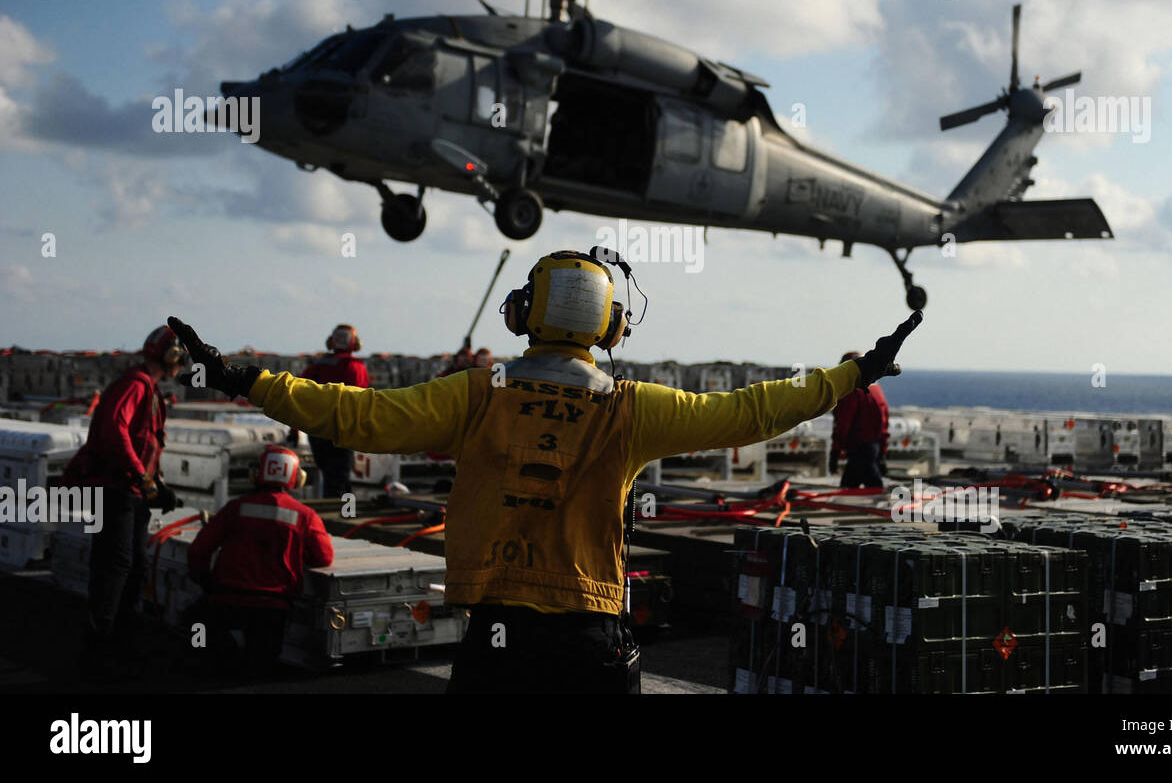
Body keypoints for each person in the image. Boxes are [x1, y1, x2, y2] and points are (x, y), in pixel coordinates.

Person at [167, 248, 922, 694]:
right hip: (591, 640)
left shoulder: (476, 395)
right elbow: (752, 411)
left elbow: (354, 415)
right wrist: (853, 373)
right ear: (611, 327)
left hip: (499, 638)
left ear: (524, 314)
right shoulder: (633, 409)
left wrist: (246, 378)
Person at [65, 325, 183, 679]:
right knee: (113, 570)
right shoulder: (136, 385)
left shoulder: (148, 389)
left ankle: (122, 644)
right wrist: (143, 479)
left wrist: (155, 485)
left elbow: (142, 442)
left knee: (133, 570)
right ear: (171, 356)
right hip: (115, 491)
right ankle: (97, 651)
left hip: (130, 492)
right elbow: (115, 432)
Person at [187, 445, 334, 674]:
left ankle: (210, 657)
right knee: (260, 669)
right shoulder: (305, 516)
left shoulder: (235, 508)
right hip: (272, 608)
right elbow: (324, 557)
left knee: (196, 625)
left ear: (256, 474)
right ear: (298, 479)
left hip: (226, 599)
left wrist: (205, 581)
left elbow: (198, 551)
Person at [300, 325, 370, 498]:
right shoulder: (356, 367)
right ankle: (340, 518)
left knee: (336, 479)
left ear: (331, 342)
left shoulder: (316, 365)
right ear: (355, 343)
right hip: (342, 430)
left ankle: (348, 514)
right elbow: (361, 399)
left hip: (317, 431)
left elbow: (299, 393)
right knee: (338, 483)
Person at [831, 350, 891, 488]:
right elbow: (884, 421)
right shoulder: (876, 390)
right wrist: (882, 452)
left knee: (856, 489)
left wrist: (835, 452)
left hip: (858, 449)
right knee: (863, 487)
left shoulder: (851, 392)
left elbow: (842, 424)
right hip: (873, 448)